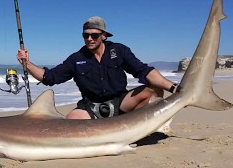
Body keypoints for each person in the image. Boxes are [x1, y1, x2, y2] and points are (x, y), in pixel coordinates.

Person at [16, 16, 181, 119]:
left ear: (103, 35)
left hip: (120, 103)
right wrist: (27, 63)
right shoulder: (76, 59)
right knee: (71, 122)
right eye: (85, 35)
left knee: (154, 90)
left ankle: (134, 125)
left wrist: (175, 89)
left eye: (94, 35)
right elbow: (49, 77)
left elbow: (145, 72)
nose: (89, 39)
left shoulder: (119, 50)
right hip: (91, 107)